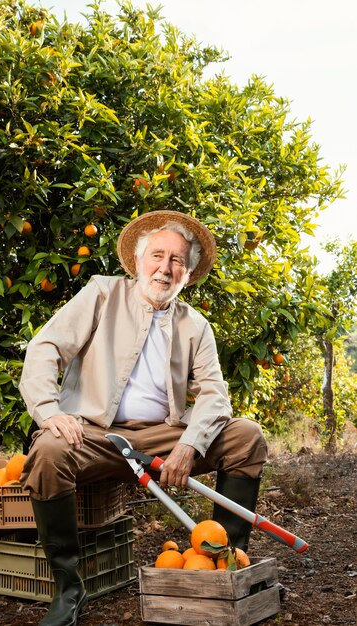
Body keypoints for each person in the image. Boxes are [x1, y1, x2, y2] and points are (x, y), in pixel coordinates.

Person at [19, 210, 268, 626]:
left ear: (188, 274)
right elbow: (45, 348)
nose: (165, 268)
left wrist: (189, 445)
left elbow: (214, 393)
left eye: (177, 261)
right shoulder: (101, 293)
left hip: (163, 435)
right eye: (157, 255)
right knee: (47, 452)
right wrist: (48, 411)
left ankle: (226, 566)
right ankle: (68, 587)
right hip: (95, 435)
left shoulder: (195, 325)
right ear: (137, 261)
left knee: (246, 436)